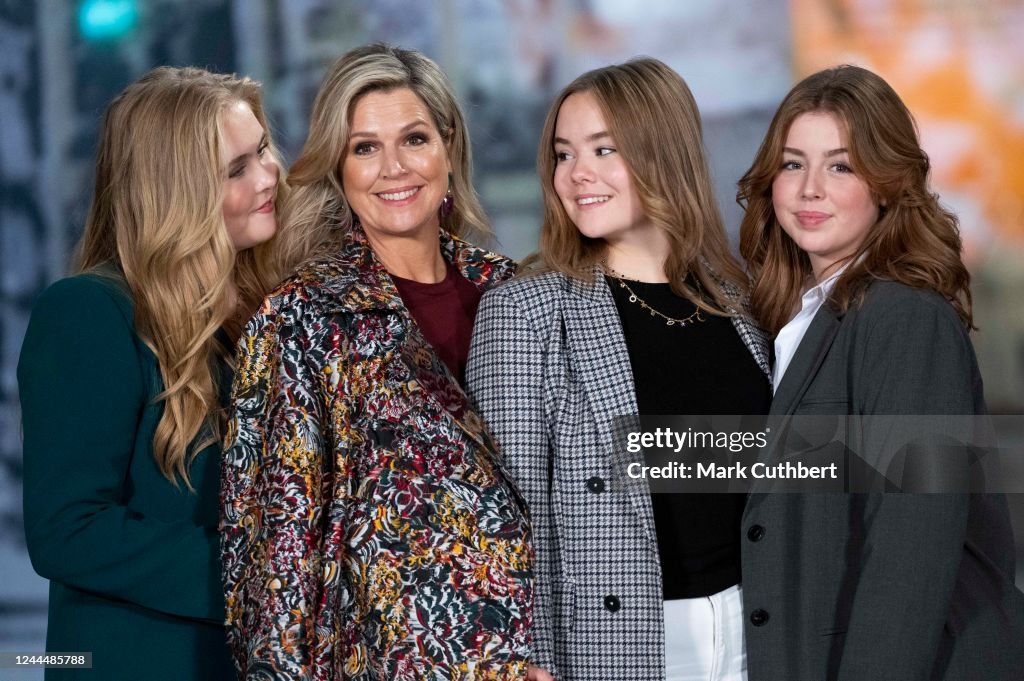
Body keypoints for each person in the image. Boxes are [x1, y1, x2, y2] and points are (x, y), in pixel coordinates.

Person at [220, 44, 533, 680]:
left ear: (449, 146)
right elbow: (276, 552)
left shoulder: (517, 292)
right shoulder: (299, 319)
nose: (393, 168)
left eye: (414, 138)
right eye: (364, 147)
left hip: (538, 659)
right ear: (338, 166)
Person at [467, 58, 771, 681]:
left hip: (757, 630)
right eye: (563, 153)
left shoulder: (739, 301)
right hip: (619, 639)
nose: (577, 175)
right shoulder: (524, 310)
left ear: (663, 154)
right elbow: (506, 511)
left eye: (604, 149)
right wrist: (524, 657)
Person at [736, 64, 1024, 680]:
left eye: (841, 166)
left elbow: (912, 545)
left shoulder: (905, 317)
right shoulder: (791, 321)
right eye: (793, 164)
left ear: (888, 184)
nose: (810, 189)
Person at [18, 66, 282, 680]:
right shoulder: (88, 311)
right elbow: (68, 528)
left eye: (263, 150)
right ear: (178, 193)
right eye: (236, 169)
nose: (269, 176)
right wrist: (262, 573)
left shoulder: (253, 312)